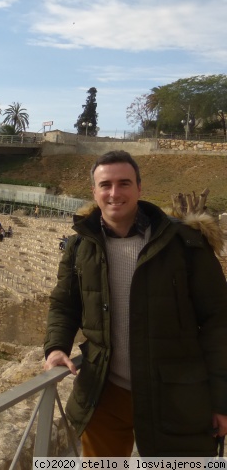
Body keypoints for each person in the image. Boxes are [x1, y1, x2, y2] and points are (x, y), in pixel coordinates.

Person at [43, 150, 227, 457]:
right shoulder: (79, 245)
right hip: (104, 394)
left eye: (124, 183)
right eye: (106, 185)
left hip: (175, 396)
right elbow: (64, 304)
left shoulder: (186, 243)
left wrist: (222, 400)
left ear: (140, 189)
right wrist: (56, 347)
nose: (114, 193)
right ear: (94, 192)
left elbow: (218, 322)